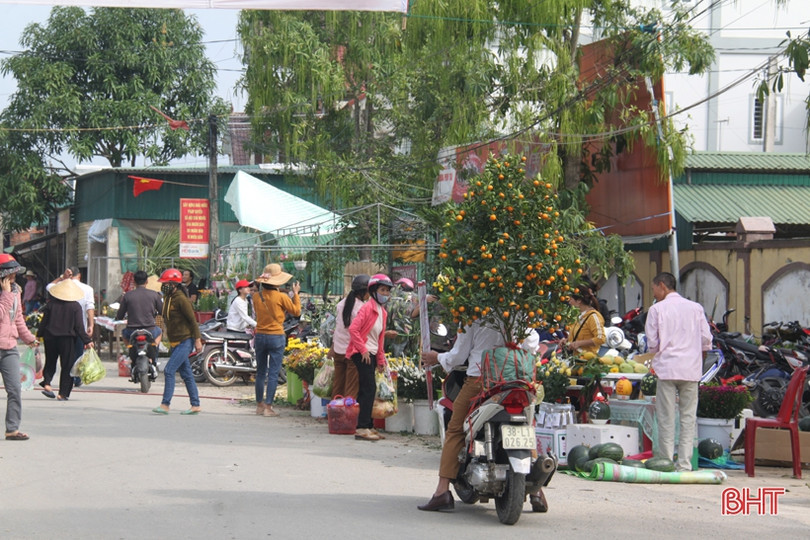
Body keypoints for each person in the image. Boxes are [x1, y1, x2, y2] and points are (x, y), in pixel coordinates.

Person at [644, 272, 712, 471]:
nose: (654, 293)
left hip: (667, 369)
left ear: (662, 285)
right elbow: (706, 340)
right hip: (691, 370)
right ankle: (684, 464)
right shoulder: (696, 308)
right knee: (688, 417)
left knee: (666, 417)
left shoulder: (657, 310)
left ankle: (665, 462)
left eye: (654, 288)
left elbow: (653, 344)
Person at [346, 273, 393, 442]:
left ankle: (369, 426)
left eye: (387, 291)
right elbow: (353, 329)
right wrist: (363, 349)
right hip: (362, 354)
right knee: (369, 389)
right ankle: (362, 427)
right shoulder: (367, 308)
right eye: (382, 290)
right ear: (373, 290)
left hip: (372, 353)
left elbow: (380, 339)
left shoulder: (382, 312)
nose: (385, 293)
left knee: (369, 389)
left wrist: (380, 360)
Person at [253, 263, 301, 417]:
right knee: (273, 373)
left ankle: (259, 405)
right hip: (276, 336)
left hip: (260, 335)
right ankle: (268, 407)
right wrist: (296, 294)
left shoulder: (256, 296)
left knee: (260, 372)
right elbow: (296, 311)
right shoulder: (281, 297)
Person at [153, 268, 202, 415]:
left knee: (169, 370)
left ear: (174, 284)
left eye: (166, 283)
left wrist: (198, 340)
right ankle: (195, 405)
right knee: (186, 374)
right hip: (174, 342)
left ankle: (165, 404)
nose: (164, 286)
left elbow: (193, 321)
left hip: (185, 341)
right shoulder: (168, 298)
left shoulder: (181, 299)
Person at [0, 255, 38, 440]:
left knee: (14, 389)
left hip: (9, 348)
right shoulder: (9, 293)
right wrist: (6, 295)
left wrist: (29, 338)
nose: (15, 276)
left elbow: (18, 319)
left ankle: (12, 429)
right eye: (11, 273)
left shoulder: (16, 291)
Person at [37, 279, 93, 401]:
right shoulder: (75, 306)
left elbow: (44, 322)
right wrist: (87, 341)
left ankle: (47, 383)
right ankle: (62, 393)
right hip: (67, 339)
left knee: (50, 361)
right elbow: (79, 327)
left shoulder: (51, 304)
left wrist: (38, 335)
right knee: (67, 365)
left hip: (50, 337)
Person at [47, 266, 95, 388]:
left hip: (56, 331)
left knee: (56, 359)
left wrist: (61, 277)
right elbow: (90, 308)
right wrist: (91, 325)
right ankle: (75, 379)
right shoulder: (87, 290)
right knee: (76, 355)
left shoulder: (58, 288)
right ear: (79, 275)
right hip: (77, 331)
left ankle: (48, 382)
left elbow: (49, 287)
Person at [327, 274, 369, 400]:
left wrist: (332, 347)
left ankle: (335, 414)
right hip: (353, 352)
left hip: (339, 350)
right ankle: (347, 416)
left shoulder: (341, 304)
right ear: (363, 291)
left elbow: (338, 328)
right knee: (351, 388)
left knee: (338, 386)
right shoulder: (362, 308)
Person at [117, 270, 164, 348]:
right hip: (150, 329)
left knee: (124, 333)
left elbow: (120, 315)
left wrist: (118, 317)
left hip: (131, 330)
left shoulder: (127, 295)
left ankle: (130, 349)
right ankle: (154, 349)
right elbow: (162, 311)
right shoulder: (154, 295)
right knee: (159, 331)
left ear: (134, 282)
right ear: (147, 281)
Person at [564, 285, 606, 355]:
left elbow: (600, 338)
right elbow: (578, 335)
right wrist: (567, 341)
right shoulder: (580, 316)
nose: (569, 302)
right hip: (576, 359)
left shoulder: (593, 316)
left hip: (586, 359)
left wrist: (579, 343)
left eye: (571, 299)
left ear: (579, 301)